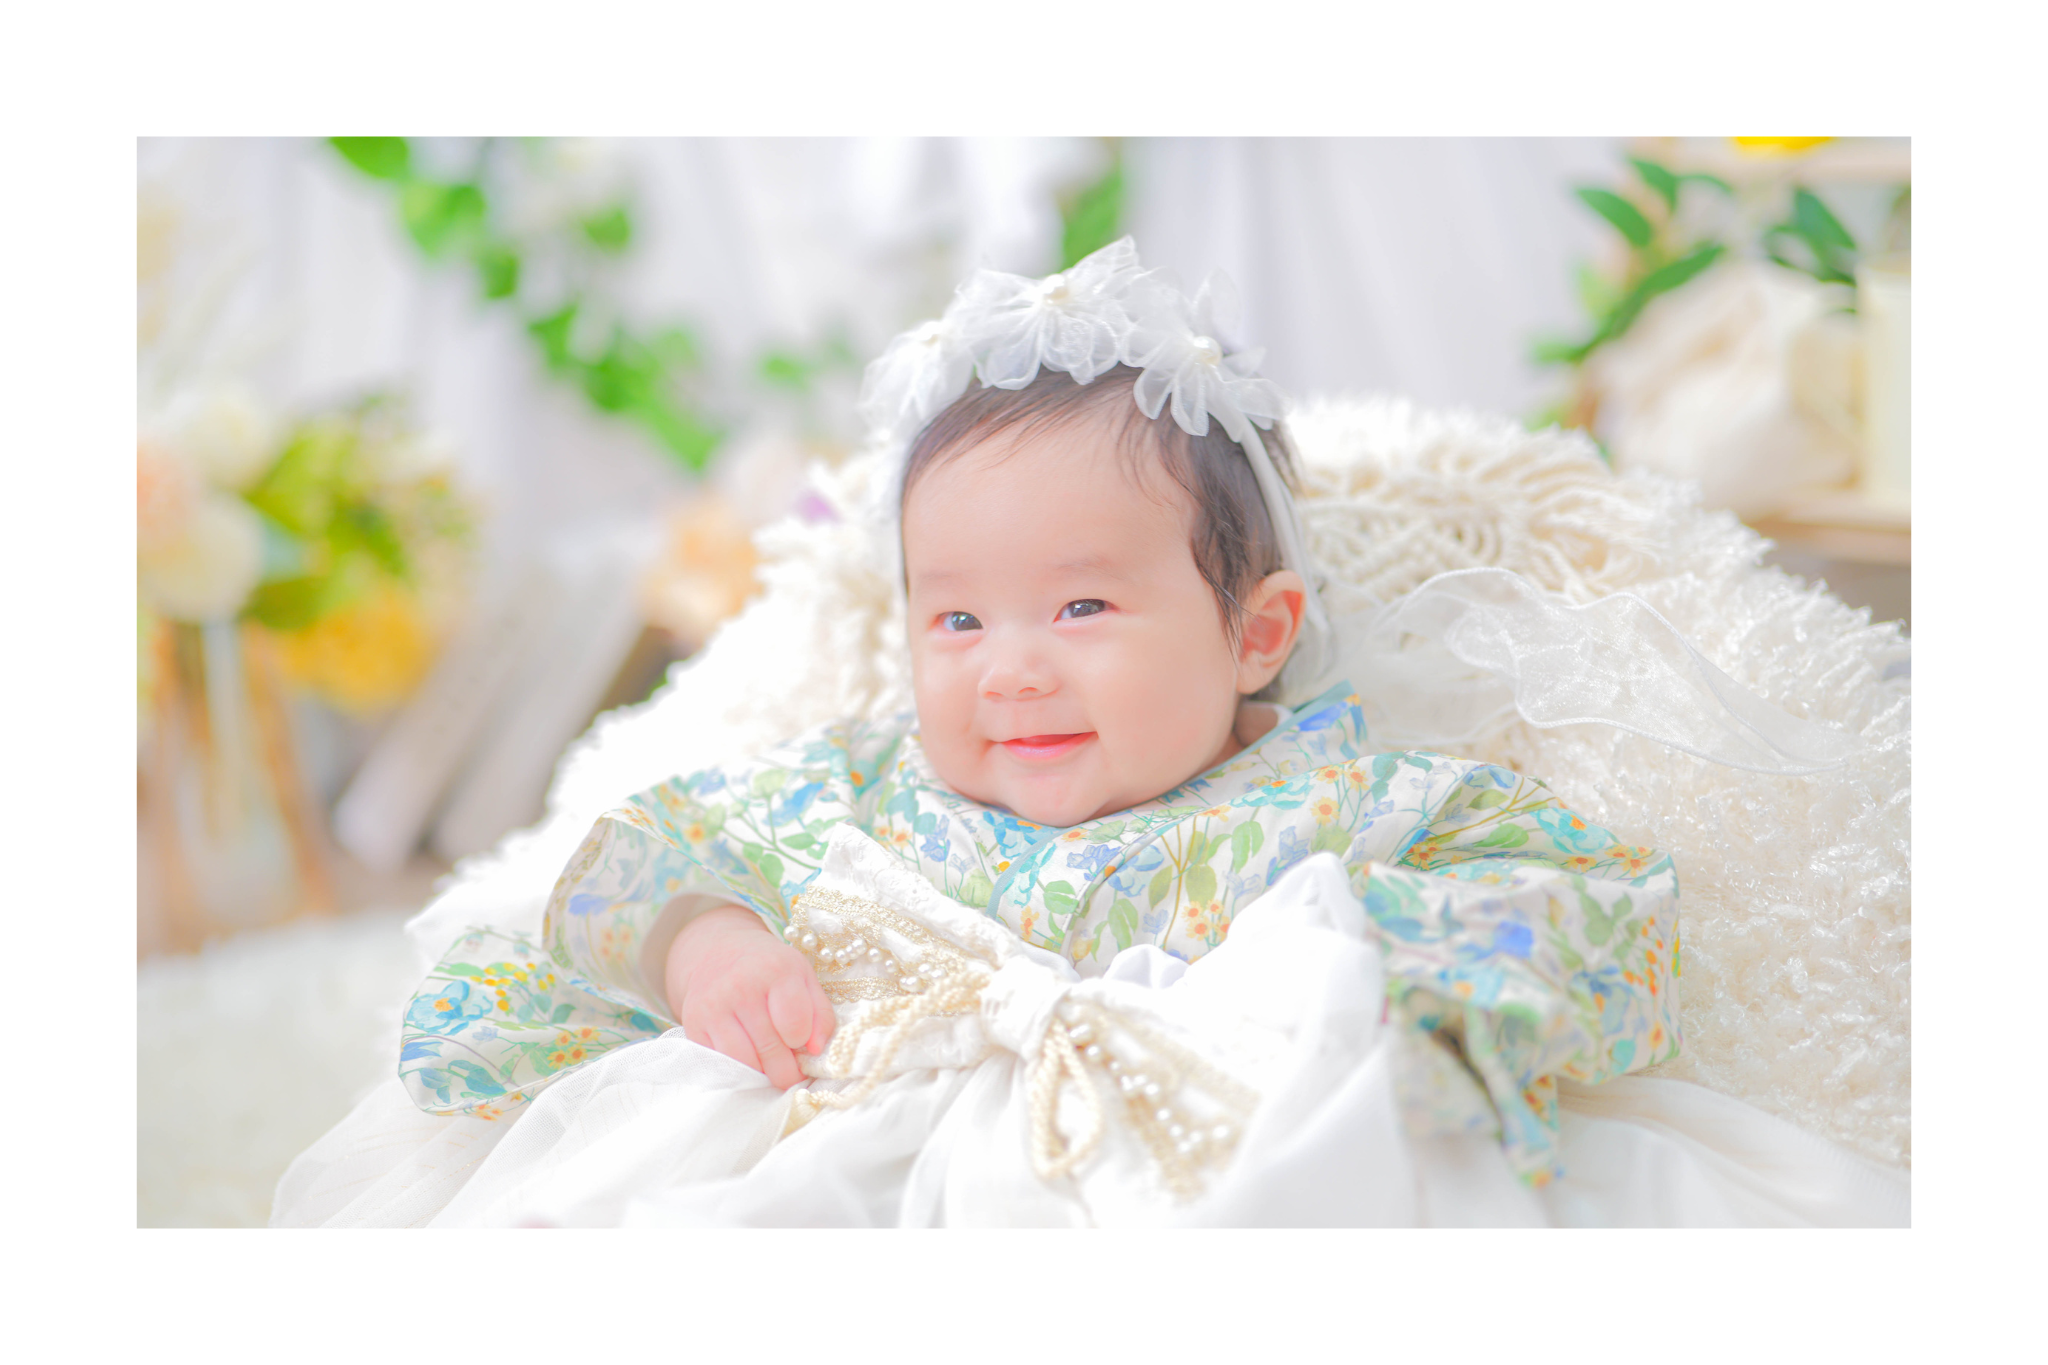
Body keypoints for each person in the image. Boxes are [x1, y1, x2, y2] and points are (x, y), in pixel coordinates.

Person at [279, 240, 1898, 1226]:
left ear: (1253, 632)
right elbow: (633, 854)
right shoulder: (856, 786)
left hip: (1221, 1162)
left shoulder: (1338, 794)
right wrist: (705, 945)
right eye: (957, 622)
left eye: (1081, 607)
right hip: (848, 1159)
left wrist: (1387, 982)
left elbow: (1596, 907)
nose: (1012, 674)